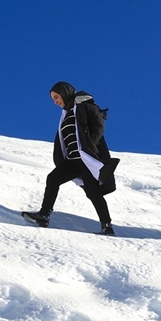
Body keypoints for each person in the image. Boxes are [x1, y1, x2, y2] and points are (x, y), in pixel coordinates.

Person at [22, 82, 120, 235]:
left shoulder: (84, 104)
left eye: (56, 97)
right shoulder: (66, 114)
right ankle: (44, 215)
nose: (55, 101)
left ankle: (107, 226)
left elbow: (98, 125)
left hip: (86, 158)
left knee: (93, 192)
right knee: (53, 178)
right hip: (72, 160)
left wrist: (89, 146)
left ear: (64, 92)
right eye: (53, 99)